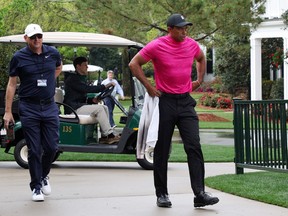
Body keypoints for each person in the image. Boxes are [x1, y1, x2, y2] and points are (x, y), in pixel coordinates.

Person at [129, 14, 219, 208]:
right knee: (161, 150)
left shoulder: (192, 44)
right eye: (180, 28)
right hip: (165, 101)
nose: (184, 31)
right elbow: (134, 64)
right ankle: (162, 194)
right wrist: (149, 87)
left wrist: (199, 79)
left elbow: (201, 58)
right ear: (169, 29)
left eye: (186, 28)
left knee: (194, 146)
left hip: (185, 101)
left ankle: (200, 194)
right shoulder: (157, 45)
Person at [3, 24, 62, 202]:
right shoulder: (18, 57)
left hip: (50, 106)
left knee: (52, 147)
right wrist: (7, 112)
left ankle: (43, 176)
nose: (37, 40)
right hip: (29, 107)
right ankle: (36, 187)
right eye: (33, 37)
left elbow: (58, 68)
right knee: (34, 149)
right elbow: (12, 84)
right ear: (26, 38)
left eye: (39, 36)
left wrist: (48, 82)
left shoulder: (53, 53)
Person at [63, 57, 120, 144]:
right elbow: (87, 89)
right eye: (85, 65)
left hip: (77, 105)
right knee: (99, 109)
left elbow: (79, 96)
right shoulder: (72, 79)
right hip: (73, 108)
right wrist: (104, 86)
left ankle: (105, 136)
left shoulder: (79, 78)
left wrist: (91, 100)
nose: (87, 67)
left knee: (104, 107)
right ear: (78, 66)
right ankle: (109, 135)